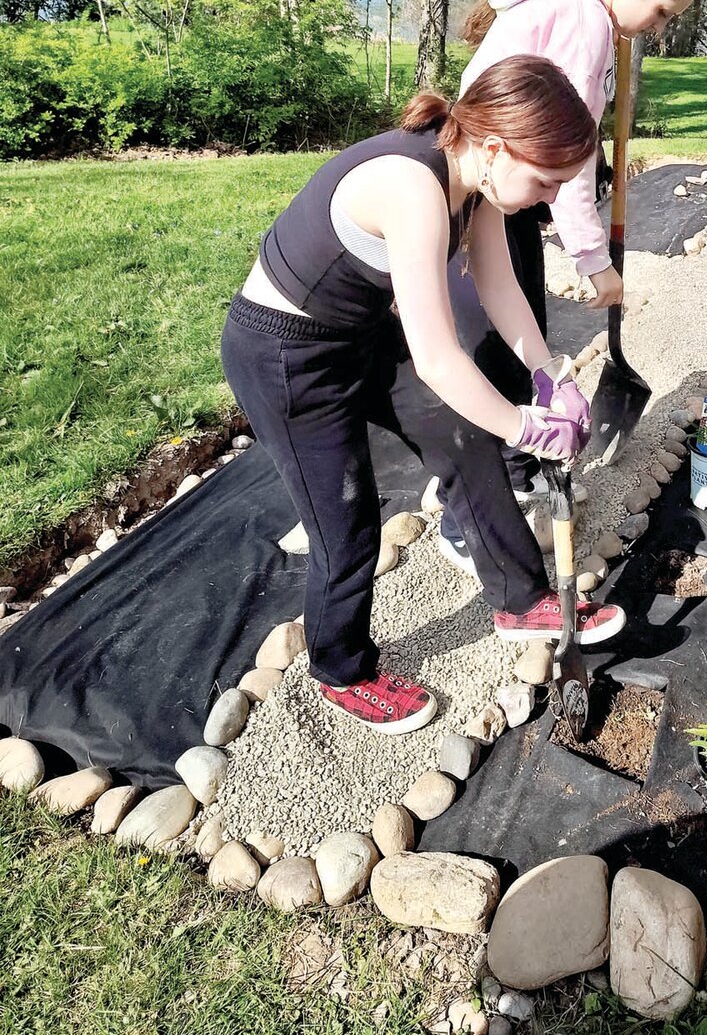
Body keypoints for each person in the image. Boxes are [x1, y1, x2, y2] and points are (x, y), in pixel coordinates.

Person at [221, 55, 626, 737]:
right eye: (546, 179)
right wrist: (526, 428)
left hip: (355, 333)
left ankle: (520, 599)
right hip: (286, 356)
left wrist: (547, 375)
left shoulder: (477, 182)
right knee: (343, 526)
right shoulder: (412, 188)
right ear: (496, 146)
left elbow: (498, 288)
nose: (551, 197)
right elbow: (438, 358)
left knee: (460, 434)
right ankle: (340, 669)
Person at [437, 0, 706, 569]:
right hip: (488, 186)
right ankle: (466, 517)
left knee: (509, 337)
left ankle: (512, 473)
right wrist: (594, 263)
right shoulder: (585, 21)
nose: (659, 28)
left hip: (491, 180)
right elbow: (572, 163)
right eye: (663, 13)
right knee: (497, 348)